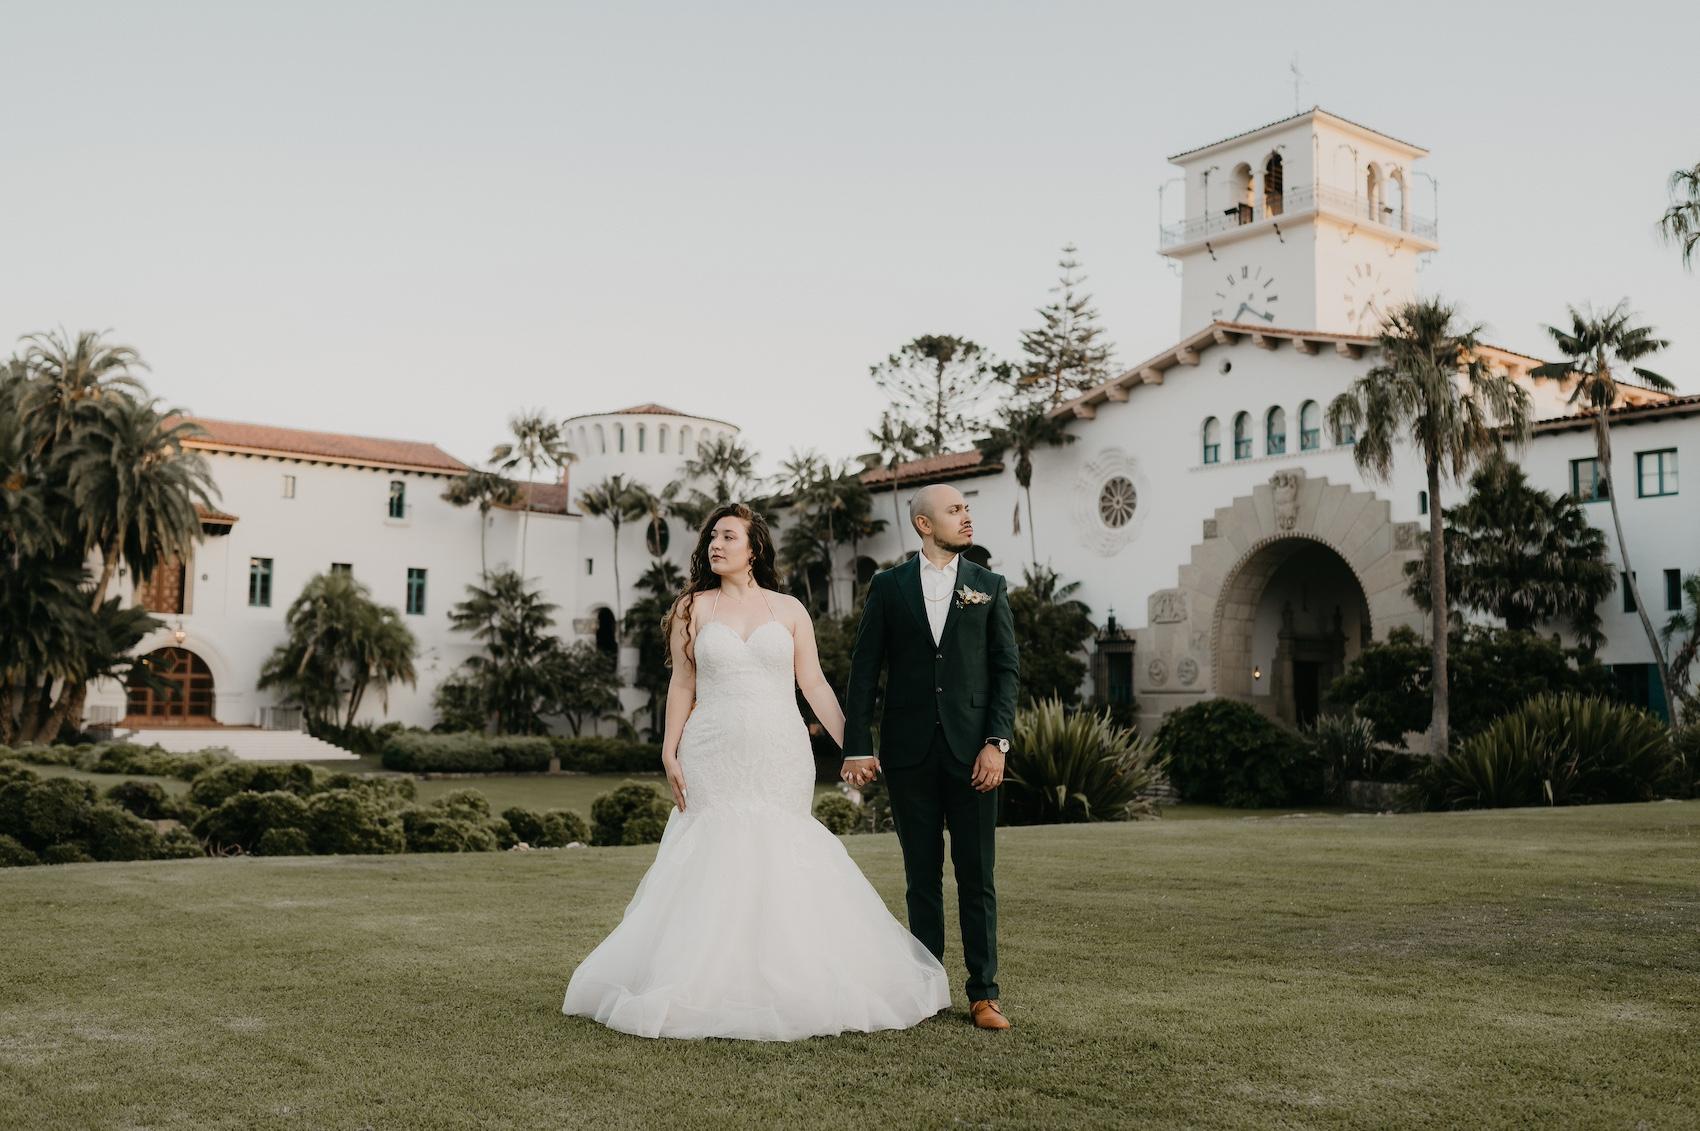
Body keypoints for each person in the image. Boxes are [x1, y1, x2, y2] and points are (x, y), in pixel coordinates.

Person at [562, 503, 949, 1040]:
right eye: (711, 538)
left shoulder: (789, 609)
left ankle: (787, 977)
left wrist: (855, 746)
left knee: (780, 850)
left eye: (728, 536)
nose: (715, 545)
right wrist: (669, 750)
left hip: (780, 751)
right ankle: (701, 981)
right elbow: (682, 685)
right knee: (714, 851)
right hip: (710, 749)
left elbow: (813, 684)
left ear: (754, 548)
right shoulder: (690, 609)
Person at [841, 483, 1019, 1031]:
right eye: (955, 510)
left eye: (968, 508)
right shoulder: (889, 587)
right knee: (921, 874)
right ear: (924, 524)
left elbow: (1005, 670)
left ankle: (983, 994)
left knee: (976, 874)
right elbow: (865, 670)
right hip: (908, 751)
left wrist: (997, 742)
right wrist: (857, 745)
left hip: (974, 753)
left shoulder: (989, 586)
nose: (967, 517)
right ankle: (927, 986)